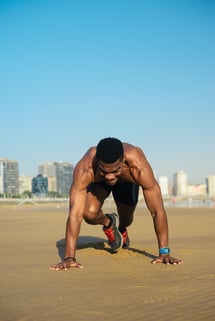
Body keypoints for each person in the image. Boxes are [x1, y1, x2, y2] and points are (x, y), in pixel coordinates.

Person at [50, 137, 183, 270]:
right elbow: (75, 214)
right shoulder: (85, 168)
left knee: (127, 219)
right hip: (99, 184)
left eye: (115, 171)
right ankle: (109, 222)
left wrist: (164, 252)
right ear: (97, 162)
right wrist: (69, 258)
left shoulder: (138, 166)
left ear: (123, 161)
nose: (110, 176)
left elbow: (157, 211)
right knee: (88, 214)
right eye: (104, 171)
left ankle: (122, 229)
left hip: (127, 183)